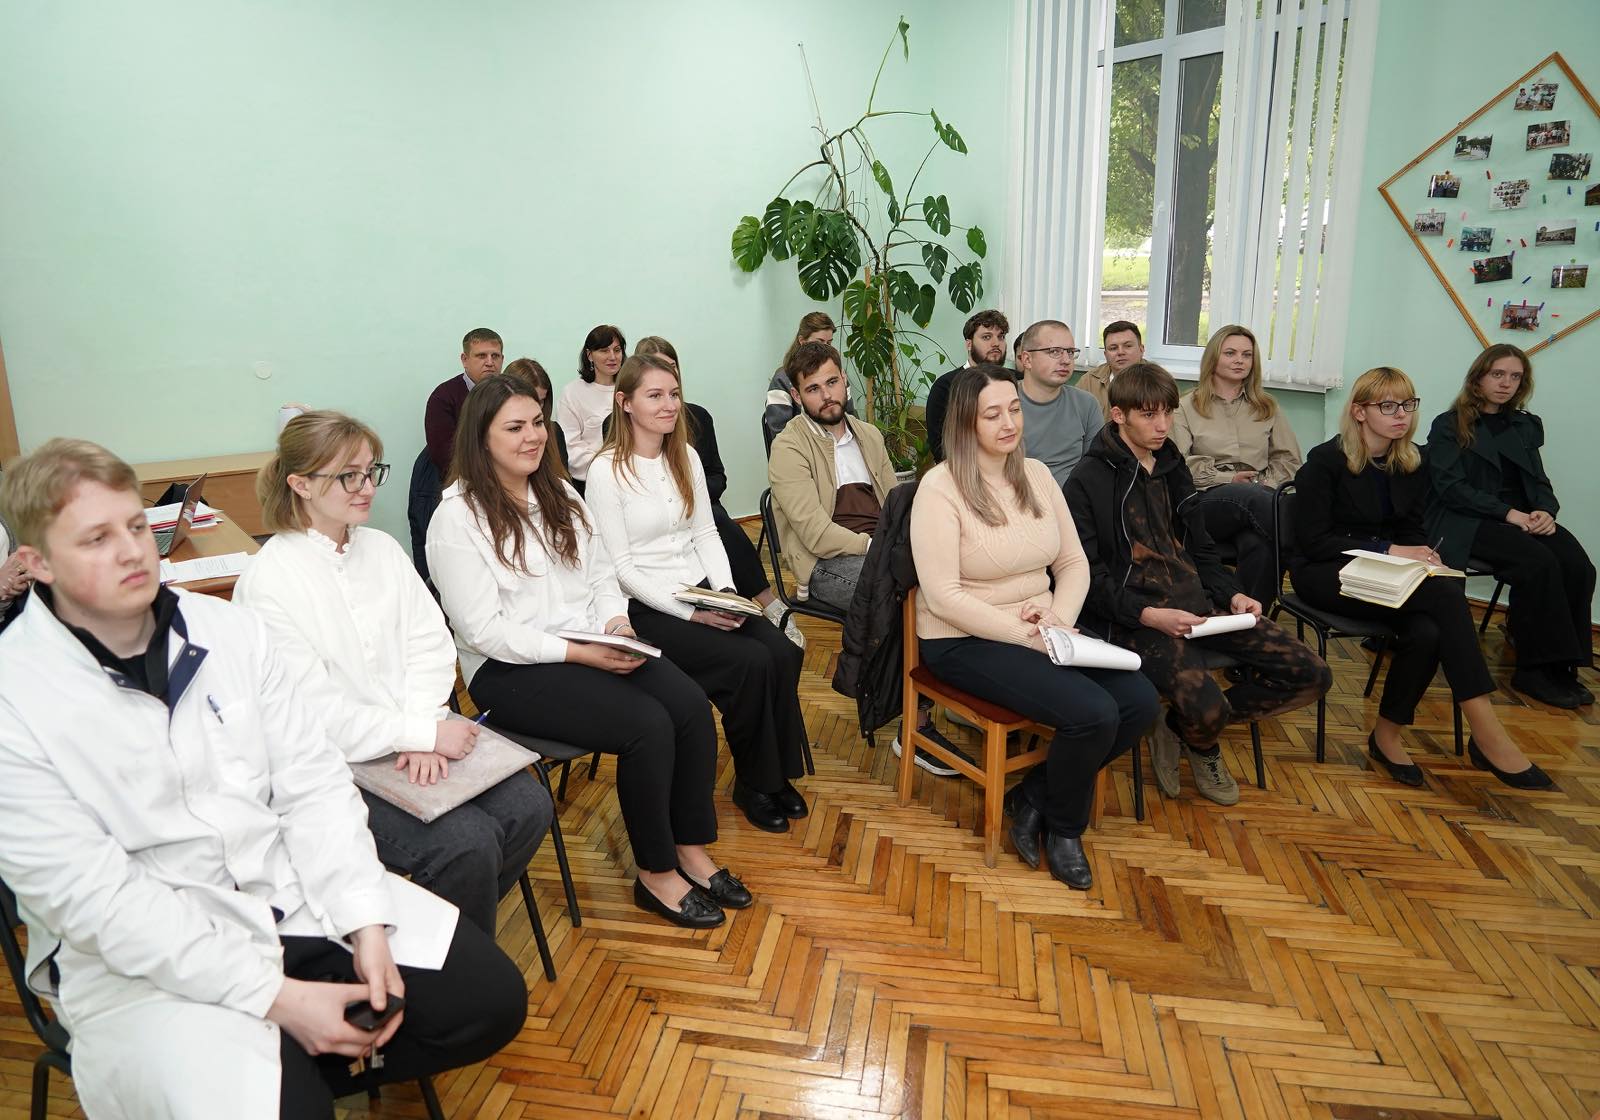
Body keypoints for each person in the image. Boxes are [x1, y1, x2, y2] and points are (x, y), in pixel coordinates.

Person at [0, 439, 526, 1119]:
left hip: (286, 892)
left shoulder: (231, 632)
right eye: (96, 539)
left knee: (489, 1002)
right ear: (36, 563)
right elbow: (98, 902)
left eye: (135, 526)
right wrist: (278, 999)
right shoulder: (15, 696)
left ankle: (303, 1066)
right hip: (148, 962)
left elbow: (314, 787)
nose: (132, 552)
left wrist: (364, 918)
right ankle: (295, 1076)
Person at [426, 373, 748, 927]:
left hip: (592, 639)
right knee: (648, 725)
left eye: (536, 423)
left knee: (691, 706)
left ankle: (690, 850)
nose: (533, 436)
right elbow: (482, 631)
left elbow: (601, 576)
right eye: (514, 428)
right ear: (481, 438)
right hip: (510, 670)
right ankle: (656, 873)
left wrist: (617, 625)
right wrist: (579, 654)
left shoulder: (558, 492)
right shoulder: (456, 517)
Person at [235, 410, 554, 936]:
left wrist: (424, 726)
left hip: (416, 731)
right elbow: (315, 716)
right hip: (330, 765)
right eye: (349, 476)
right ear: (300, 484)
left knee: (529, 806)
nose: (367, 488)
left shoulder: (381, 549)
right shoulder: (269, 581)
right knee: (467, 843)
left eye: (370, 472)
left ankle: (449, 942)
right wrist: (421, 734)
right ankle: (448, 962)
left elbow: (430, 644)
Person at [910, 366, 1160, 889]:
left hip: (1044, 629)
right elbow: (943, 596)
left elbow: (1073, 563)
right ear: (965, 422)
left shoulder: (1039, 475)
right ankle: (1065, 831)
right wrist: (1028, 634)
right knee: (1093, 713)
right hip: (963, 639)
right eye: (992, 414)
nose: (1009, 423)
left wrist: (1058, 621)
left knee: (1140, 701)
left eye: (1014, 409)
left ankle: (1034, 795)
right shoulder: (939, 488)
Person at [1066, 362, 1331, 805]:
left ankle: (1181, 727)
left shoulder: (1172, 465)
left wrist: (1233, 593)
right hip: (1135, 620)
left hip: (1198, 607)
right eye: (1149, 415)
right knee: (1207, 704)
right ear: (1118, 415)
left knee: (1312, 674)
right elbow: (1088, 577)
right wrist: (1148, 614)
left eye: (1168, 412)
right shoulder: (1087, 480)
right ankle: (1204, 736)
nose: (1162, 425)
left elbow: (1202, 549)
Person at [1292, 367, 1554, 789]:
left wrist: (1423, 555)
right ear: (1359, 412)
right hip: (1326, 573)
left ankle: (1386, 736)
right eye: (1388, 406)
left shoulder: (1410, 461)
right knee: (1447, 597)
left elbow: (1411, 529)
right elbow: (1314, 541)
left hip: (1385, 574)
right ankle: (1487, 732)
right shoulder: (1325, 461)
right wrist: (1390, 550)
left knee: (1428, 630)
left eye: (1408, 404)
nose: (1402, 415)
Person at [587, 354, 811, 833]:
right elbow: (621, 569)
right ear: (625, 403)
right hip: (649, 605)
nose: (669, 405)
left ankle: (775, 774)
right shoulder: (606, 471)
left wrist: (725, 594)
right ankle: (756, 782)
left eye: (673, 394)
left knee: (780, 650)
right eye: (655, 395)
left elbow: (707, 533)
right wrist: (692, 615)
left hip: (702, 590)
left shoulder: (684, 455)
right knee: (748, 662)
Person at [1425, 344, 1593, 708]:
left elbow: (1538, 480)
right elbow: (1451, 488)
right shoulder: (1449, 424)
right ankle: (1533, 671)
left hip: (1521, 517)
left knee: (1579, 566)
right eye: (1498, 374)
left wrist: (1545, 510)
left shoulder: (1525, 425)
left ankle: (1563, 665)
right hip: (1468, 519)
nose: (1506, 383)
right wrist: (1508, 513)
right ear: (1478, 378)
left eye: (1515, 377)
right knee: (1539, 564)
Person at [634, 335, 804, 647]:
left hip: (702, 509)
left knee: (715, 522)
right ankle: (760, 602)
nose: (667, 376)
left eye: (671, 367)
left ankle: (761, 603)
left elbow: (718, 477)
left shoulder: (698, 416)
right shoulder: (618, 426)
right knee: (719, 522)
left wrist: (694, 494)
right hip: (656, 522)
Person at [1172, 325, 1303, 606]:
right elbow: (1178, 466)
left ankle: (1247, 619)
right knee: (1254, 498)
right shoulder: (1185, 407)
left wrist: (1263, 483)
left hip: (1259, 500)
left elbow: (1289, 460)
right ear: (1213, 358)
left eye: (1247, 355)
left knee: (1261, 545)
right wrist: (1227, 479)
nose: (1239, 360)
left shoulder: (1267, 407)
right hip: (1205, 503)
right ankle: (1305, 558)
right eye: (1230, 353)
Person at [1013, 320, 1103, 489]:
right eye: (1054, 352)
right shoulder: (1004, 404)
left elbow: (1095, 468)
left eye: (1070, 352)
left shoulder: (1086, 404)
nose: (1066, 360)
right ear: (1027, 359)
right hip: (1015, 497)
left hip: (1072, 500)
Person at [924, 309, 1010, 463]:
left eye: (1001, 336)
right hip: (962, 469)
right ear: (969, 344)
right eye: (986, 337)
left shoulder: (1013, 380)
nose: (996, 343)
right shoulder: (946, 386)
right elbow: (940, 447)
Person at [763, 311, 856, 450]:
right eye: (820, 342)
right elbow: (778, 432)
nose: (825, 348)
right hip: (803, 451)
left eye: (829, 343)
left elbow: (851, 419)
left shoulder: (838, 375)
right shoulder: (782, 380)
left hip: (841, 447)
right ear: (802, 341)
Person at [423, 327, 504, 474]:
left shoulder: (510, 395)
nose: (490, 362)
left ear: (502, 359)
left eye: (495, 356)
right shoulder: (443, 397)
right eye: (481, 356)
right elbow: (444, 455)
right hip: (455, 479)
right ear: (465, 360)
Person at [556, 323, 626, 492]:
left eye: (617, 350)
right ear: (589, 355)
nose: (612, 357)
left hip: (631, 477)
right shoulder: (572, 393)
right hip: (590, 482)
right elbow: (570, 446)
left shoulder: (632, 389)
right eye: (604, 351)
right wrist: (606, 467)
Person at [505, 356, 569, 473]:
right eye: (529, 400)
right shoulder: (497, 434)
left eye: (540, 401)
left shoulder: (554, 432)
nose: (536, 408)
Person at [1076, 320, 1144, 418]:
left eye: (1128, 346)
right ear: (1106, 355)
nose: (1120, 352)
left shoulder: (1158, 380)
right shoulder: (1089, 382)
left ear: (1141, 350)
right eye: (1113, 348)